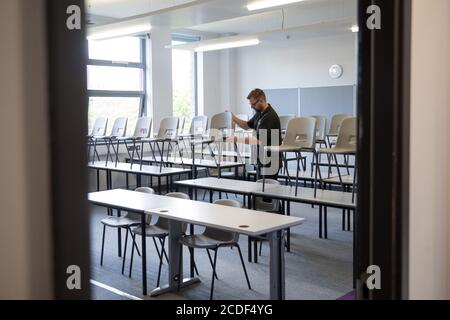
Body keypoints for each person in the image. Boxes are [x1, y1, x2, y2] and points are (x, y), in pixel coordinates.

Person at [228, 88, 282, 180]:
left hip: (271, 161)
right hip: (262, 159)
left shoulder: (269, 116)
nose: (251, 107)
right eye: (250, 104)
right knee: (261, 190)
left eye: (253, 104)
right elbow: (246, 125)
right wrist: (233, 118)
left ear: (261, 100)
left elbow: (258, 140)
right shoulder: (260, 113)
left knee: (267, 191)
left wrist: (237, 139)